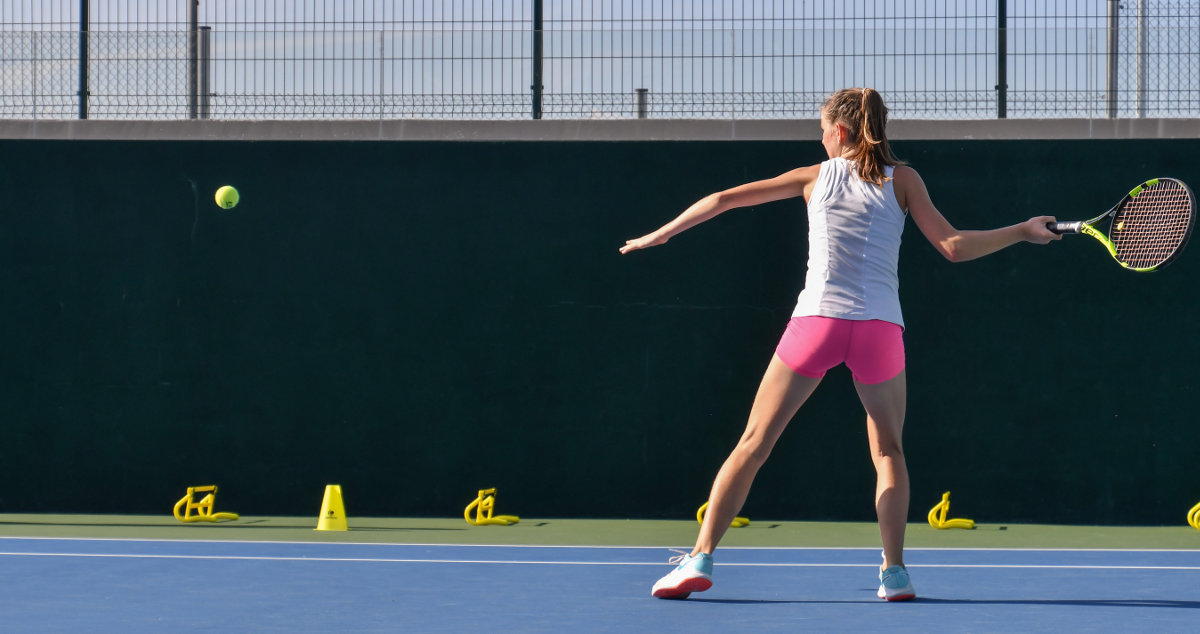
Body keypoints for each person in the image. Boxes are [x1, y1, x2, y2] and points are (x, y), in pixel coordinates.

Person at [619, 87, 1060, 601]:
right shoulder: (905, 179)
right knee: (889, 451)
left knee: (753, 443)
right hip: (879, 331)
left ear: (841, 132)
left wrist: (662, 234)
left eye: (822, 128)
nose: (820, 136)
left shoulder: (814, 176)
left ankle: (699, 558)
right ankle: (894, 573)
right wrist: (1023, 231)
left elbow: (723, 199)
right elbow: (954, 247)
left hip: (817, 323)